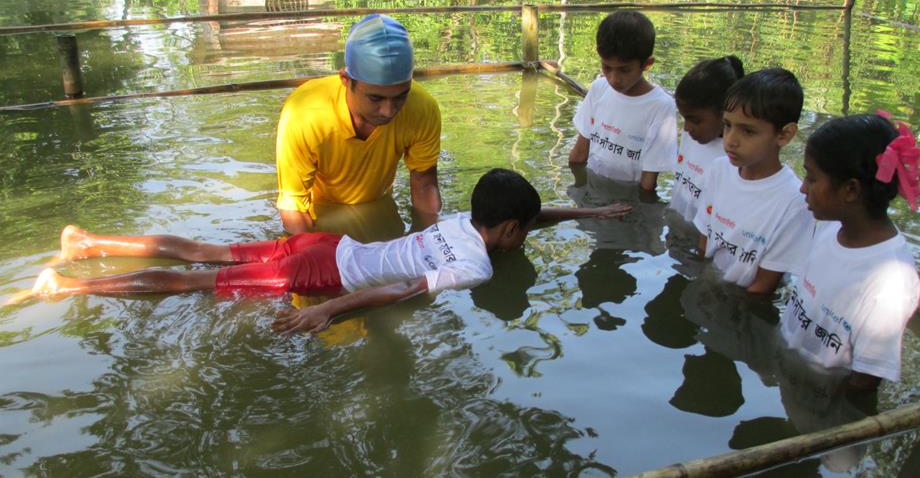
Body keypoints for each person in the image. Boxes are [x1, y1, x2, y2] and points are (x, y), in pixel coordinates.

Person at [13, 169, 632, 334]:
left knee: (206, 251)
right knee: (193, 284)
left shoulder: (459, 223)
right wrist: (326, 310)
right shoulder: (472, 266)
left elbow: (531, 215)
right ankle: (67, 287)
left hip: (323, 242)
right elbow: (398, 291)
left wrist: (589, 212)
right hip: (320, 270)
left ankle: (87, 242)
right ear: (509, 232)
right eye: (523, 230)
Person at [780, 113, 920, 390]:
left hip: (820, 404)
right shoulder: (827, 229)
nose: (802, 187)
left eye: (812, 178)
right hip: (790, 379)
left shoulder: (889, 280)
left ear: (850, 189)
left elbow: (863, 384)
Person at [275, 14, 442, 234]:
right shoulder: (305, 114)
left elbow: (424, 184)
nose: (388, 111)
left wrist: (432, 241)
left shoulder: (421, 108)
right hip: (321, 215)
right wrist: (314, 254)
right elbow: (294, 206)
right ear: (345, 80)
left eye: (401, 96)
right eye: (375, 98)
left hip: (378, 206)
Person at [693, 68, 814, 293]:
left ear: (784, 135)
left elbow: (763, 286)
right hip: (708, 290)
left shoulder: (794, 201)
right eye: (728, 125)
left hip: (741, 304)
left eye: (747, 131)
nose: (730, 141)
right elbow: (704, 244)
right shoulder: (719, 170)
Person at [568, 10, 678, 192]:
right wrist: (576, 189)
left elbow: (648, 182)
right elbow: (579, 153)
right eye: (607, 67)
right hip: (591, 191)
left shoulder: (660, 107)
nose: (614, 79)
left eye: (624, 70)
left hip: (627, 197)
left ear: (647, 64)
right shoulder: (598, 88)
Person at [670, 56, 745, 223]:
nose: (687, 128)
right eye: (684, 118)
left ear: (724, 113)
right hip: (676, 231)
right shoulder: (693, 136)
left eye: (695, 120)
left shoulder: (733, 157)